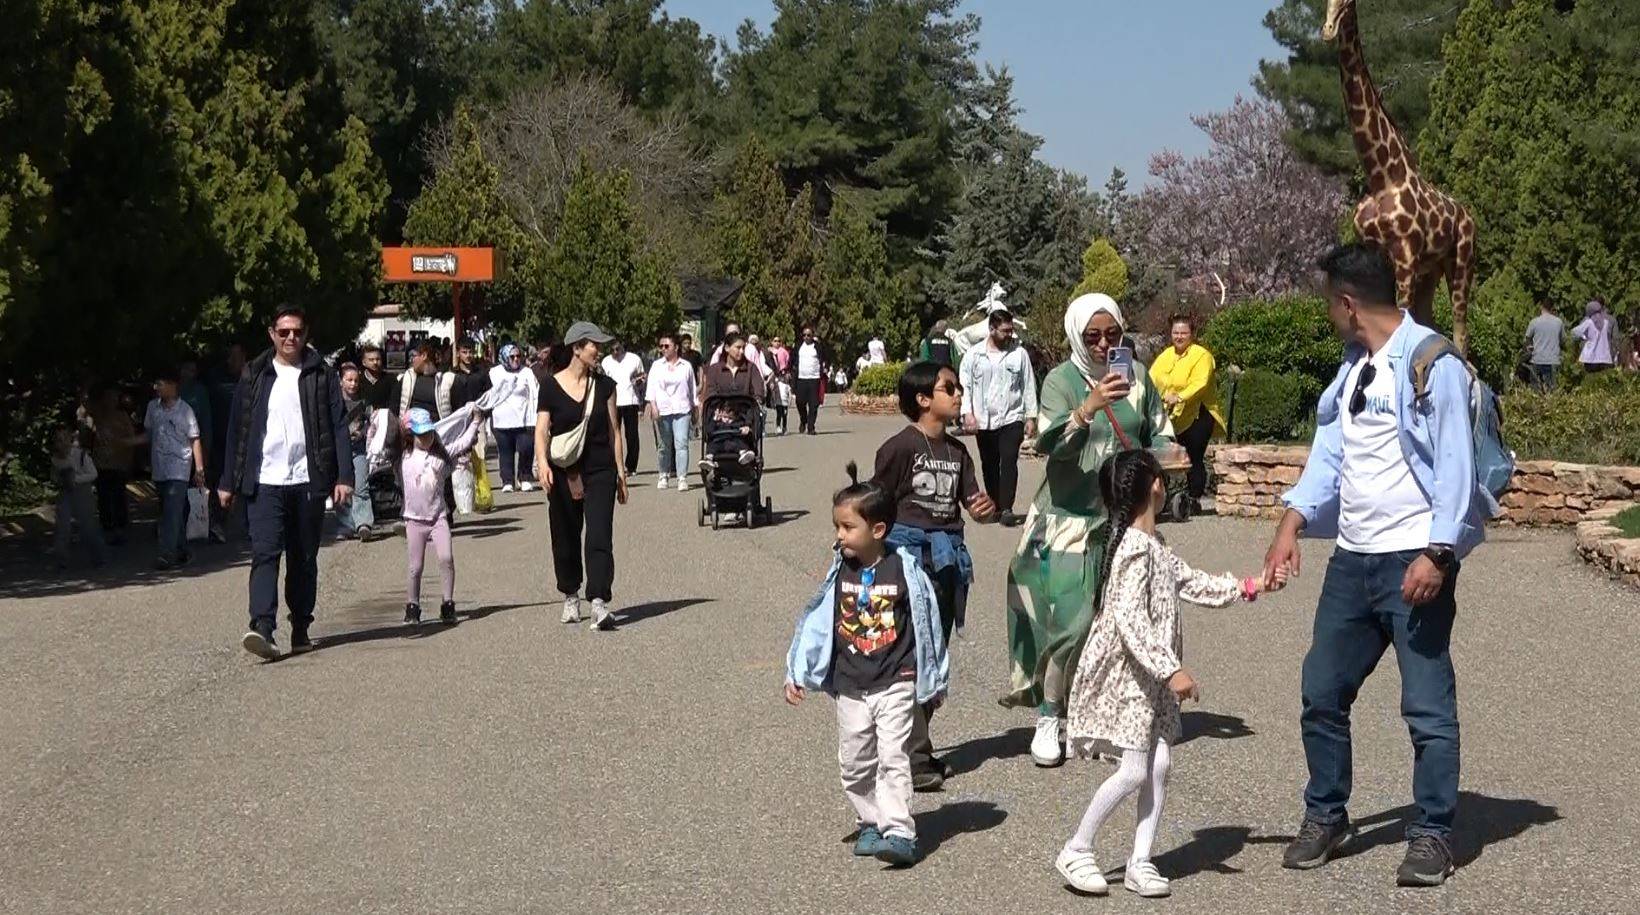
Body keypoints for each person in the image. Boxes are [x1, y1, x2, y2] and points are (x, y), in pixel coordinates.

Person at [1263, 243, 1491, 888]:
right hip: (1352, 561)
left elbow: (1457, 467)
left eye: (1328, 302)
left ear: (1346, 301)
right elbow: (1330, 452)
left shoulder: (1430, 363)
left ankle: (1433, 835)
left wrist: (1438, 554)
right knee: (1322, 693)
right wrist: (1291, 524)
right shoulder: (1354, 362)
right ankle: (1326, 814)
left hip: (1414, 563)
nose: (1327, 312)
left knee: (1426, 708)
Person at [1055, 449, 1283, 899]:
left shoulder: (1155, 545)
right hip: (1134, 678)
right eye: (1162, 476)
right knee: (1134, 770)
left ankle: (1141, 860)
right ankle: (1077, 848)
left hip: (1153, 679)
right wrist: (1171, 669)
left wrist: (1248, 586)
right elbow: (1129, 619)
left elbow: (1192, 581)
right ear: (1154, 486)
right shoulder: (1134, 551)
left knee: (1159, 765)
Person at [1000, 293, 1172, 769]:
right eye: (1093, 336)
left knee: (1119, 623)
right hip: (1068, 522)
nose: (1103, 345)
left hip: (1123, 520)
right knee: (1071, 623)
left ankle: (1095, 717)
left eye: (1112, 335)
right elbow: (1048, 442)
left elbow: (1158, 430)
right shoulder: (1060, 381)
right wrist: (1089, 407)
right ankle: (1048, 713)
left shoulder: (1139, 379)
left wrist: (1167, 453)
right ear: (1077, 335)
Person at [783, 463, 949, 868]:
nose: (839, 536)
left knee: (894, 756)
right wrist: (797, 669)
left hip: (896, 679)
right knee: (855, 762)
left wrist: (935, 678)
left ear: (877, 530)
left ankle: (899, 831)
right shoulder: (839, 571)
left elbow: (929, 626)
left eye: (847, 527)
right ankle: (869, 820)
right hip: (852, 683)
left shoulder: (905, 571)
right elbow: (819, 623)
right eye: (837, 527)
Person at [872, 361, 997, 790]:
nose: (958, 393)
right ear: (924, 399)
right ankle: (913, 756)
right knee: (912, 654)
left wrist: (984, 510)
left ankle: (913, 750)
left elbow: (972, 502)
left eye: (959, 387)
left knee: (935, 653)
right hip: (910, 562)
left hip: (947, 563)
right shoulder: (900, 448)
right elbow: (877, 503)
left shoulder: (958, 452)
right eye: (949, 387)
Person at [219, 306, 353, 661]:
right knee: (264, 552)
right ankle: (261, 627)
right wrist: (226, 481)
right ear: (271, 334)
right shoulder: (255, 374)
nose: (290, 338)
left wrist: (344, 476)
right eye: (283, 332)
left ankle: (301, 626)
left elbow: (339, 425)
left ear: (305, 333)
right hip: (265, 480)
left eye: (296, 331)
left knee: (303, 557)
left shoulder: (320, 374)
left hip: (307, 479)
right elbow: (237, 430)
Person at [537, 322, 628, 630]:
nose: (598, 350)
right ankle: (570, 594)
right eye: (593, 345)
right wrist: (542, 464)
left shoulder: (606, 386)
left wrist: (621, 475)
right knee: (565, 535)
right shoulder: (549, 386)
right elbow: (541, 431)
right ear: (577, 348)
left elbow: (615, 430)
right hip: (563, 470)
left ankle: (599, 601)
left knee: (600, 534)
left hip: (600, 468)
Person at [399, 406, 485, 628]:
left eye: (429, 433)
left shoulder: (441, 454)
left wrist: (475, 421)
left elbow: (463, 443)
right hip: (414, 520)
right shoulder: (404, 455)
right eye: (420, 435)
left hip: (438, 517)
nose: (426, 438)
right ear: (410, 435)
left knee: (446, 558)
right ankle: (412, 606)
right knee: (415, 567)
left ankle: (448, 603)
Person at [960, 308, 1038, 527]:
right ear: (992, 329)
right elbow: (965, 386)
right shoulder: (973, 355)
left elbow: (1028, 384)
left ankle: (1007, 509)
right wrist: (967, 413)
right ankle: (994, 503)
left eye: (1011, 330)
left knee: (1009, 460)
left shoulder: (1019, 354)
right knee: (989, 463)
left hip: (1011, 416)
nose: (1009, 335)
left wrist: (1031, 416)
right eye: (1004, 331)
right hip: (984, 420)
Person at [1148, 315, 1226, 513]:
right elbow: (1152, 378)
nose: (1179, 336)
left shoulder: (1202, 356)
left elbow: (1199, 384)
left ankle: (1194, 497)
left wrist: (1179, 396)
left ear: (1192, 334)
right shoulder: (1165, 355)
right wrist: (1159, 395)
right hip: (1172, 416)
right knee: (1165, 455)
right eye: (1176, 332)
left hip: (1198, 413)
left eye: (1184, 333)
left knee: (1194, 457)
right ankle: (1162, 495)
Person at [138, 369, 206, 570]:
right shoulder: (153, 407)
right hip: (159, 467)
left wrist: (199, 468)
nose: (156, 388)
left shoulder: (185, 410)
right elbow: (148, 434)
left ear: (173, 385)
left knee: (172, 511)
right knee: (168, 513)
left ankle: (166, 554)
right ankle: (182, 550)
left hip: (179, 467)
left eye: (160, 383)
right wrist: (126, 442)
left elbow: (195, 439)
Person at [50, 422, 107, 568]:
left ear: (69, 439)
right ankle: (60, 560)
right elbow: (54, 477)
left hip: (82, 491)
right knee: (62, 526)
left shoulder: (80, 455)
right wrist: (59, 479)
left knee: (88, 526)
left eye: (63, 438)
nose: (61, 442)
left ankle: (98, 557)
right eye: (58, 439)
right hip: (65, 492)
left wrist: (76, 479)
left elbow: (93, 474)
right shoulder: (55, 458)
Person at [646, 332, 697, 492]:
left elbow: (692, 389)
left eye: (666, 346)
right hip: (663, 410)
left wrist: (695, 407)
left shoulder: (686, 366)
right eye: (661, 346)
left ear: (676, 347)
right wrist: (653, 406)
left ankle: (682, 477)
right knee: (663, 445)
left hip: (682, 409)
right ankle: (664, 474)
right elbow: (651, 388)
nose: (663, 349)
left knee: (681, 443)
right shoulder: (656, 366)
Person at [87, 385, 137, 545]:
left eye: (114, 398)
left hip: (118, 463)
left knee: (118, 496)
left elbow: (131, 438)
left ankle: (120, 528)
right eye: (109, 398)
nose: (111, 401)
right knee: (103, 497)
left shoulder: (122, 416)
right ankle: (107, 528)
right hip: (101, 463)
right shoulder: (98, 415)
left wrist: (127, 457)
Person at [488, 344, 541, 493]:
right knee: (505, 452)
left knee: (526, 448)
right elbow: (489, 395)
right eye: (512, 357)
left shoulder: (527, 372)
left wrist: (536, 416)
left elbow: (535, 394)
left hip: (524, 421)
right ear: (504, 358)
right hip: (501, 421)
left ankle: (524, 477)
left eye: (518, 356)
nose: (516, 359)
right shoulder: (494, 373)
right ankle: (507, 480)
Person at [335, 364, 375, 541]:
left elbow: (372, 423)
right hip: (339, 450)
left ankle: (363, 523)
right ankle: (346, 524)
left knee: (361, 485)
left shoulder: (364, 403)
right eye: (349, 380)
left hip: (359, 448)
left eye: (356, 380)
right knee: (341, 488)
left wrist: (365, 432)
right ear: (341, 381)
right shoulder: (335, 403)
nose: (353, 384)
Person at [601, 340, 647, 477]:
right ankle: (613, 464)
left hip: (630, 400)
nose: (615, 352)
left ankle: (631, 466)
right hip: (612, 402)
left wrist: (639, 382)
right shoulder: (606, 362)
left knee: (631, 435)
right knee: (613, 434)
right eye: (612, 350)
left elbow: (642, 376)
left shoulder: (634, 359)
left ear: (622, 348)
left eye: (618, 349)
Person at [794, 326, 826, 435]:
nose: (806, 337)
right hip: (801, 378)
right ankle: (804, 420)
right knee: (800, 402)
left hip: (814, 378)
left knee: (813, 404)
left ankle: (811, 427)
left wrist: (823, 370)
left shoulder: (817, 347)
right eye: (804, 335)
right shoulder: (799, 346)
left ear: (812, 336)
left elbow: (824, 359)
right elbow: (793, 360)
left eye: (808, 335)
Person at [1571, 299, 1615, 374]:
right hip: (1604, 357)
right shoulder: (1606, 323)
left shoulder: (1589, 322)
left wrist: (1584, 336)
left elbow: (1575, 332)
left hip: (1590, 358)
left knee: (1591, 380)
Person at [357, 343, 392, 409]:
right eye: (371, 360)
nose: (375, 362)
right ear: (364, 362)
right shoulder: (359, 380)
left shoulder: (390, 379)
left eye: (378, 359)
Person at [771, 370, 793, 436]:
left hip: (785, 403)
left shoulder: (787, 386)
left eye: (784, 377)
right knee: (779, 415)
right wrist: (773, 401)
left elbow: (790, 394)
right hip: (778, 403)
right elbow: (773, 392)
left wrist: (790, 401)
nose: (783, 378)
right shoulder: (777, 384)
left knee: (784, 416)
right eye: (781, 376)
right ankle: (778, 427)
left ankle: (784, 428)